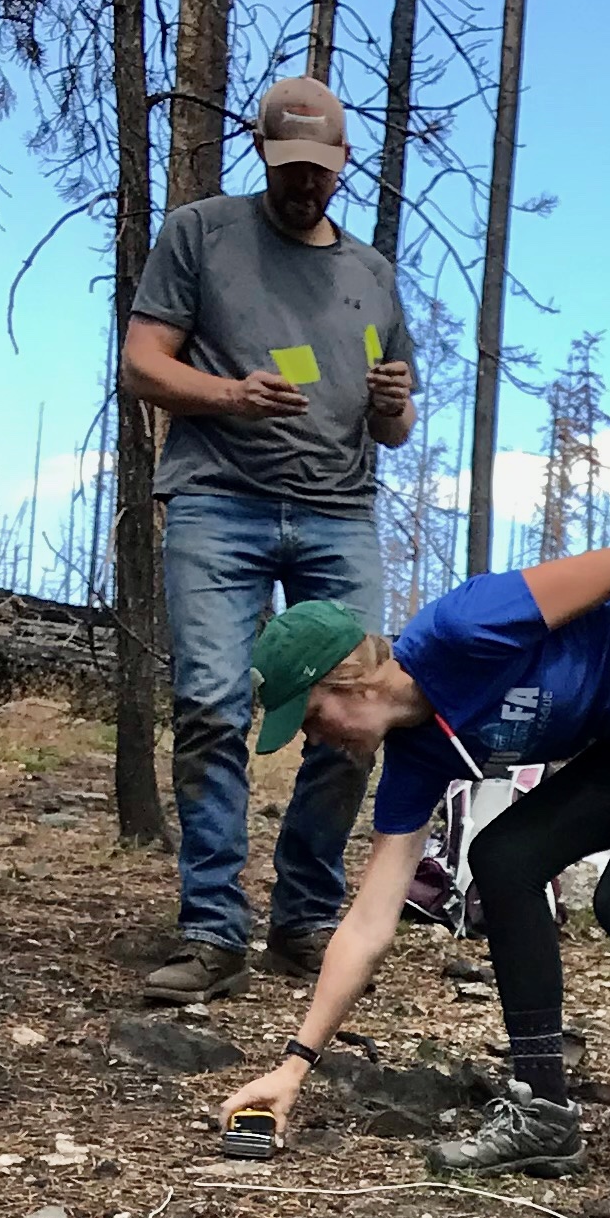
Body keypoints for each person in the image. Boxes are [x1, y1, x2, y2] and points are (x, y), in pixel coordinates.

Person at [218, 547, 610, 1218]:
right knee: (507, 859)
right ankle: (543, 1112)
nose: (316, 740)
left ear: (353, 680)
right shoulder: (415, 756)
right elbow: (371, 919)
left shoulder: (462, 629)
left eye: (313, 718)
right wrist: (294, 1065)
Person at [119, 74, 415, 1004]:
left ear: (343, 166)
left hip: (338, 512)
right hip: (219, 503)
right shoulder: (203, 233)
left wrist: (396, 410)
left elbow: (393, 428)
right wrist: (230, 395)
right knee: (212, 704)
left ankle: (303, 918)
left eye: (320, 171)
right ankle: (212, 929)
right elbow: (141, 364)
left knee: (353, 717)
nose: (305, 185)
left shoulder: (370, 274)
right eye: (290, 168)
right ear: (263, 154)